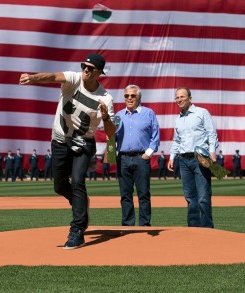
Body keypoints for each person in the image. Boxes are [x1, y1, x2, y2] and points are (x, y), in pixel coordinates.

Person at [19, 52, 116, 249]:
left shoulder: (105, 98)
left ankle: (77, 229)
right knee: (59, 185)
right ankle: (80, 203)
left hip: (83, 142)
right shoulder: (74, 79)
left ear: (99, 73)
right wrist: (34, 78)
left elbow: (111, 132)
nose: (85, 70)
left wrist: (105, 117)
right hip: (60, 140)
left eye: (90, 68)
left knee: (78, 180)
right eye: (84, 66)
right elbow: (55, 76)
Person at [167, 87, 218, 228]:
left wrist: (212, 151)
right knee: (190, 198)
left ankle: (207, 228)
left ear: (190, 98)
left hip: (200, 158)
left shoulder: (201, 113)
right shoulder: (178, 119)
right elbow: (177, 140)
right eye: (177, 97)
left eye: (182, 97)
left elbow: (211, 133)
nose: (179, 100)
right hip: (183, 159)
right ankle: (193, 229)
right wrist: (172, 157)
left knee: (203, 197)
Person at [115, 84, 160, 226]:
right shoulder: (118, 116)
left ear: (139, 97)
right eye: (126, 96)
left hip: (141, 158)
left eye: (132, 95)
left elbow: (156, 135)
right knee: (125, 195)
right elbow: (112, 137)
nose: (129, 98)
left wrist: (148, 153)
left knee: (144, 194)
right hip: (122, 159)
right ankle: (128, 225)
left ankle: (145, 224)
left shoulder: (149, 113)